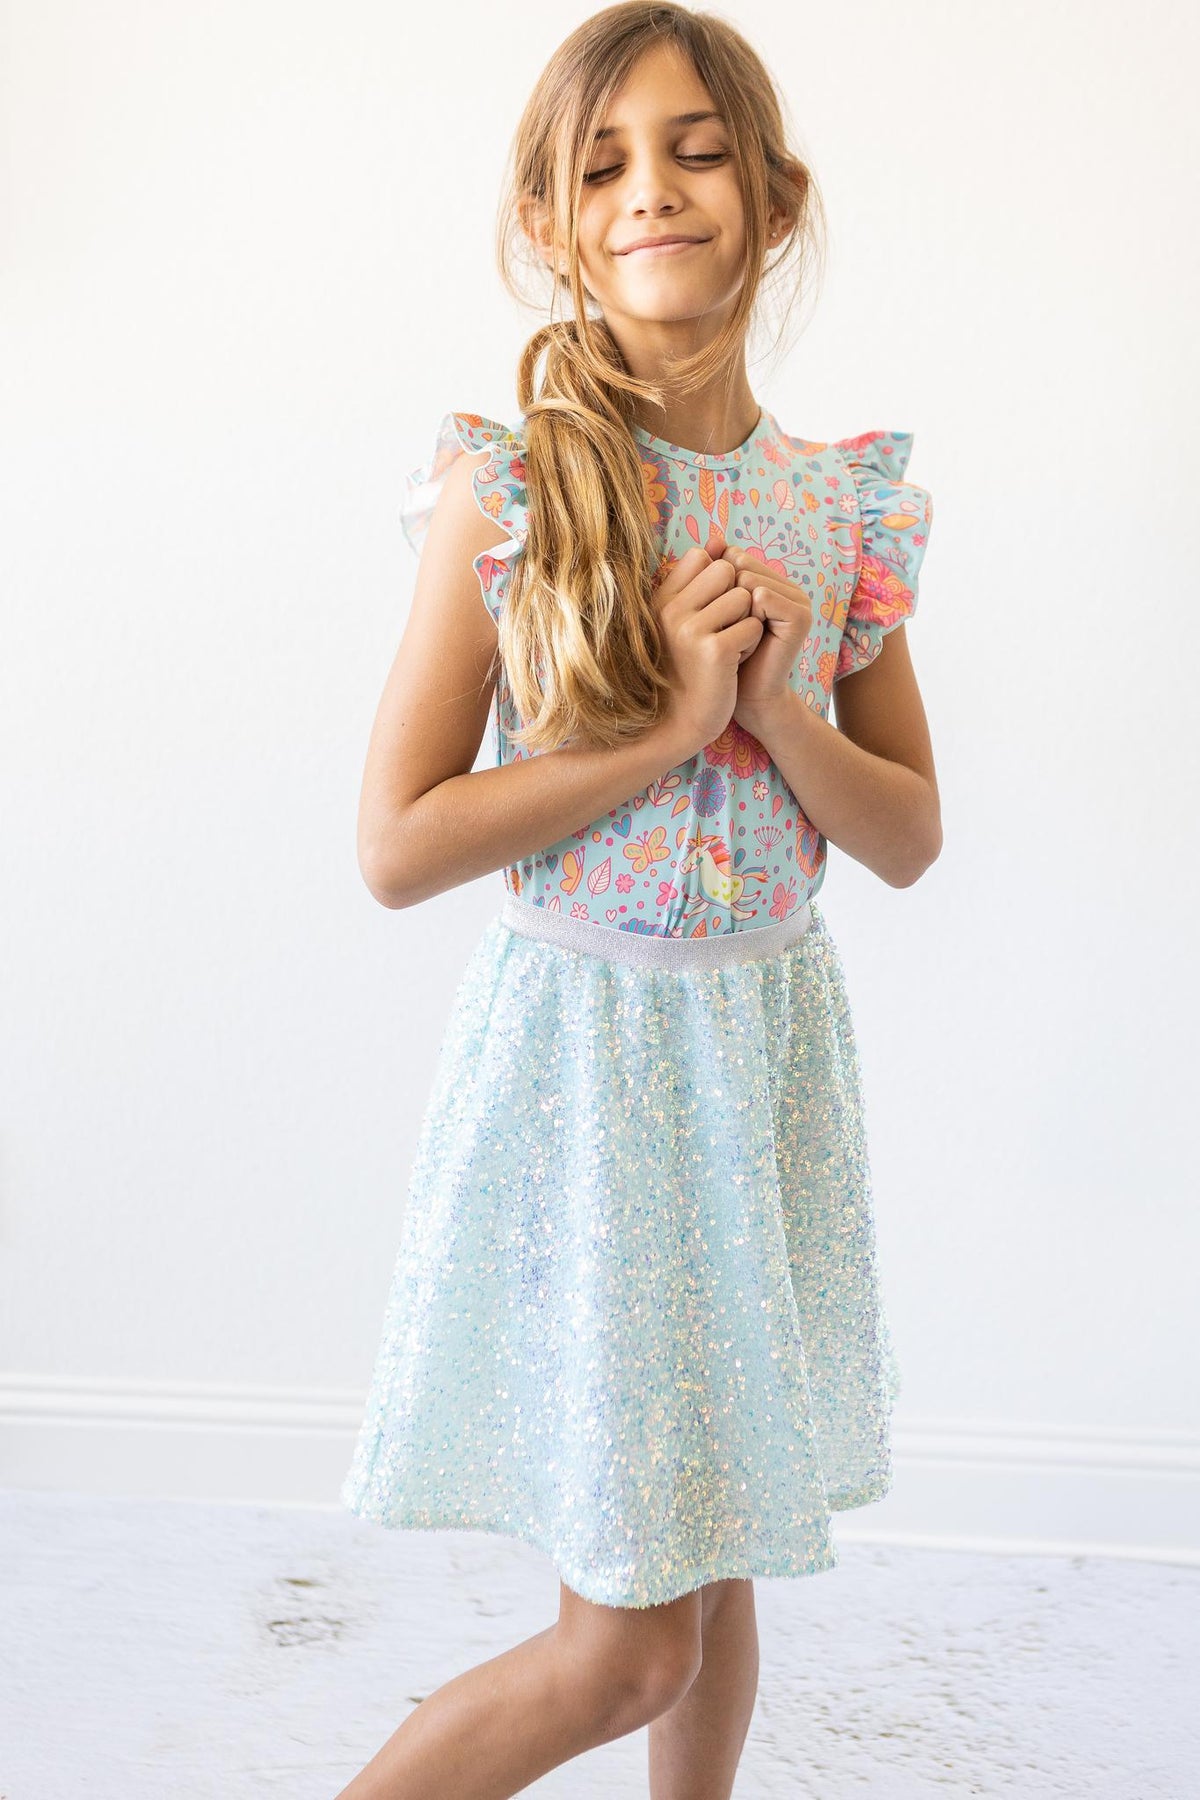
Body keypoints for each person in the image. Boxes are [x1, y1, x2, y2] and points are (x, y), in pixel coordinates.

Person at [336, 4, 940, 1795]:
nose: (651, 192)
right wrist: (670, 727)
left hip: (759, 1060)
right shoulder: (513, 489)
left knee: (718, 1545)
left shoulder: (840, 508)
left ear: (774, 197)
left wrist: (780, 713)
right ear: (549, 220)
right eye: (602, 167)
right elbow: (398, 843)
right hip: (592, 1075)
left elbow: (908, 835)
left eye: (695, 151)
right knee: (629, 1643)